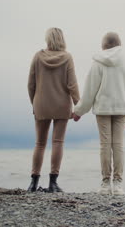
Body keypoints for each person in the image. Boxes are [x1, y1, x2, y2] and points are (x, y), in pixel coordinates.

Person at [73, 32, 125, 195]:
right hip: (122, 108)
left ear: (103, 45)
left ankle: (106, 184)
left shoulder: (98, 63)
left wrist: (79, 111)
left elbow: (90, 90)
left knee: (105, 145)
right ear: (119, 44)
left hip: (103, 108)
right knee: (119, 145)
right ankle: (119, 184)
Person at [27, 27, 80, 193]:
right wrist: (78, 105)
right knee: (57, 142)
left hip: (41, 104)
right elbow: (72, 84)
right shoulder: (67, 57)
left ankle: (33, 183)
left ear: (47, 39)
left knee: (40, 143)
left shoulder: (38, 56)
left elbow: (31, 84)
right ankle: (53, 183)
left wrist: (34, 103)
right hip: (61, 105)